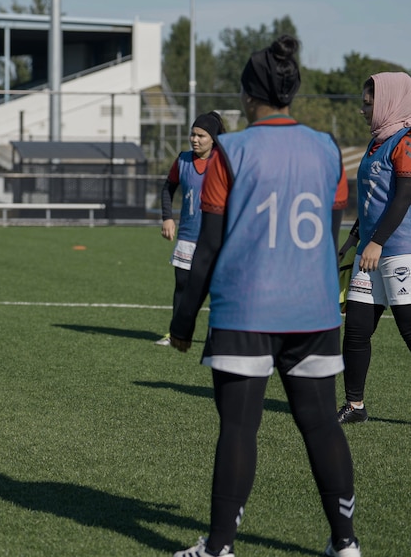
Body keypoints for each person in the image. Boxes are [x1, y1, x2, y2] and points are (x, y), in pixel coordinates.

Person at [168, 36, 361, 557]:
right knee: (321, 424)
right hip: (314, 308)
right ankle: (345, 543)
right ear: (291, 91)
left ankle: (220, 548)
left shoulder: (231, 152)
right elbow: (328, 228)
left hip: (247, 307)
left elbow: (207, 247)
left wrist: (183, 323)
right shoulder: (326, 147)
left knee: (238, 427)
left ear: (249, 94)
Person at [335, 71, 411, 424]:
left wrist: (377, 241)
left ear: (388, 103)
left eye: (369, 104)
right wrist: (354, 238)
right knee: (357, 330)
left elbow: (403, 198)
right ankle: (355, 406)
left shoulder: (405, 140)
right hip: (370, 251)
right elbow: (371, 201)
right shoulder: (376, 141)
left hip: (398, 251)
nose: (364, 111)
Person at [155, 111, 225, 346]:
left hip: (217, 237)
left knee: (219, 290)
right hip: (188, 234)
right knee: (182, 285)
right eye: (192, 135)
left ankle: (218, 336)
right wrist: (167, 217)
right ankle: (176, 334)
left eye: (201, 136)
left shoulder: (225, 162)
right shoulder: (183, 160)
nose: (195, 139)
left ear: (213, 138)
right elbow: (168, 188)